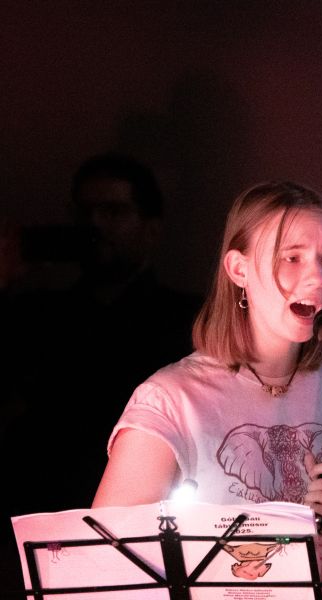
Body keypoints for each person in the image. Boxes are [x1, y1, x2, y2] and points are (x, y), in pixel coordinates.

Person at [92, 181, 322, 596]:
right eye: (292, 257)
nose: (317, 276)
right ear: (239, 269)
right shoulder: (171, 399)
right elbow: (104, 566)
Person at [0, 154, 201, 596]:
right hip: (34, 524)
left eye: (113, 211)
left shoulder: (187, 322)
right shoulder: (35, 313)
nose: (95, 225)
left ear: (151, 227)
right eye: (84, 212)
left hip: (139, 541)